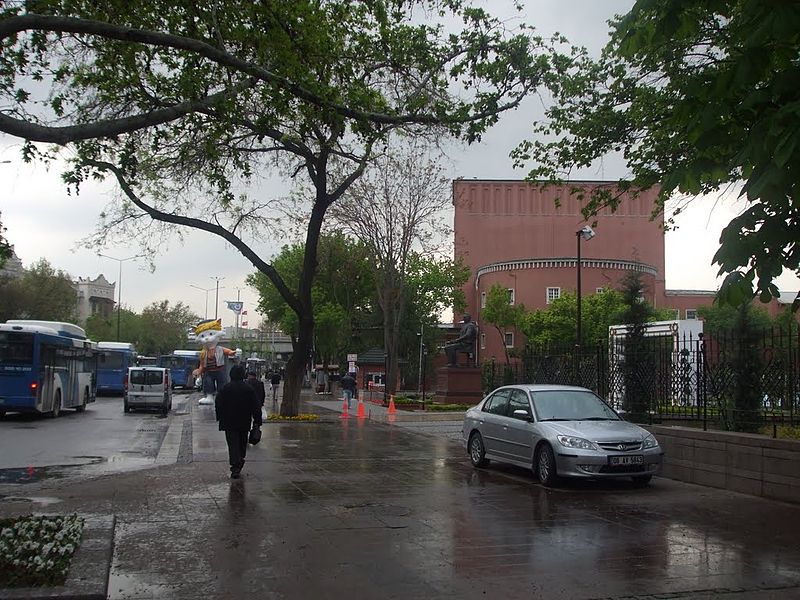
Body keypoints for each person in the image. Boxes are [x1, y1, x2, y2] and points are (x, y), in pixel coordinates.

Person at [215, 365, 262, 479]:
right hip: (244, 421)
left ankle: (235, 465)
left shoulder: (225, 388)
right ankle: (240, 460)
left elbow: (218, 404)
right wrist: (257, 421)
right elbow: (256, 406)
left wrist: (220, 417)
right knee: (242, 443)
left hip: (229, 422)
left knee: (232, 445)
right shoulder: (248, 389)